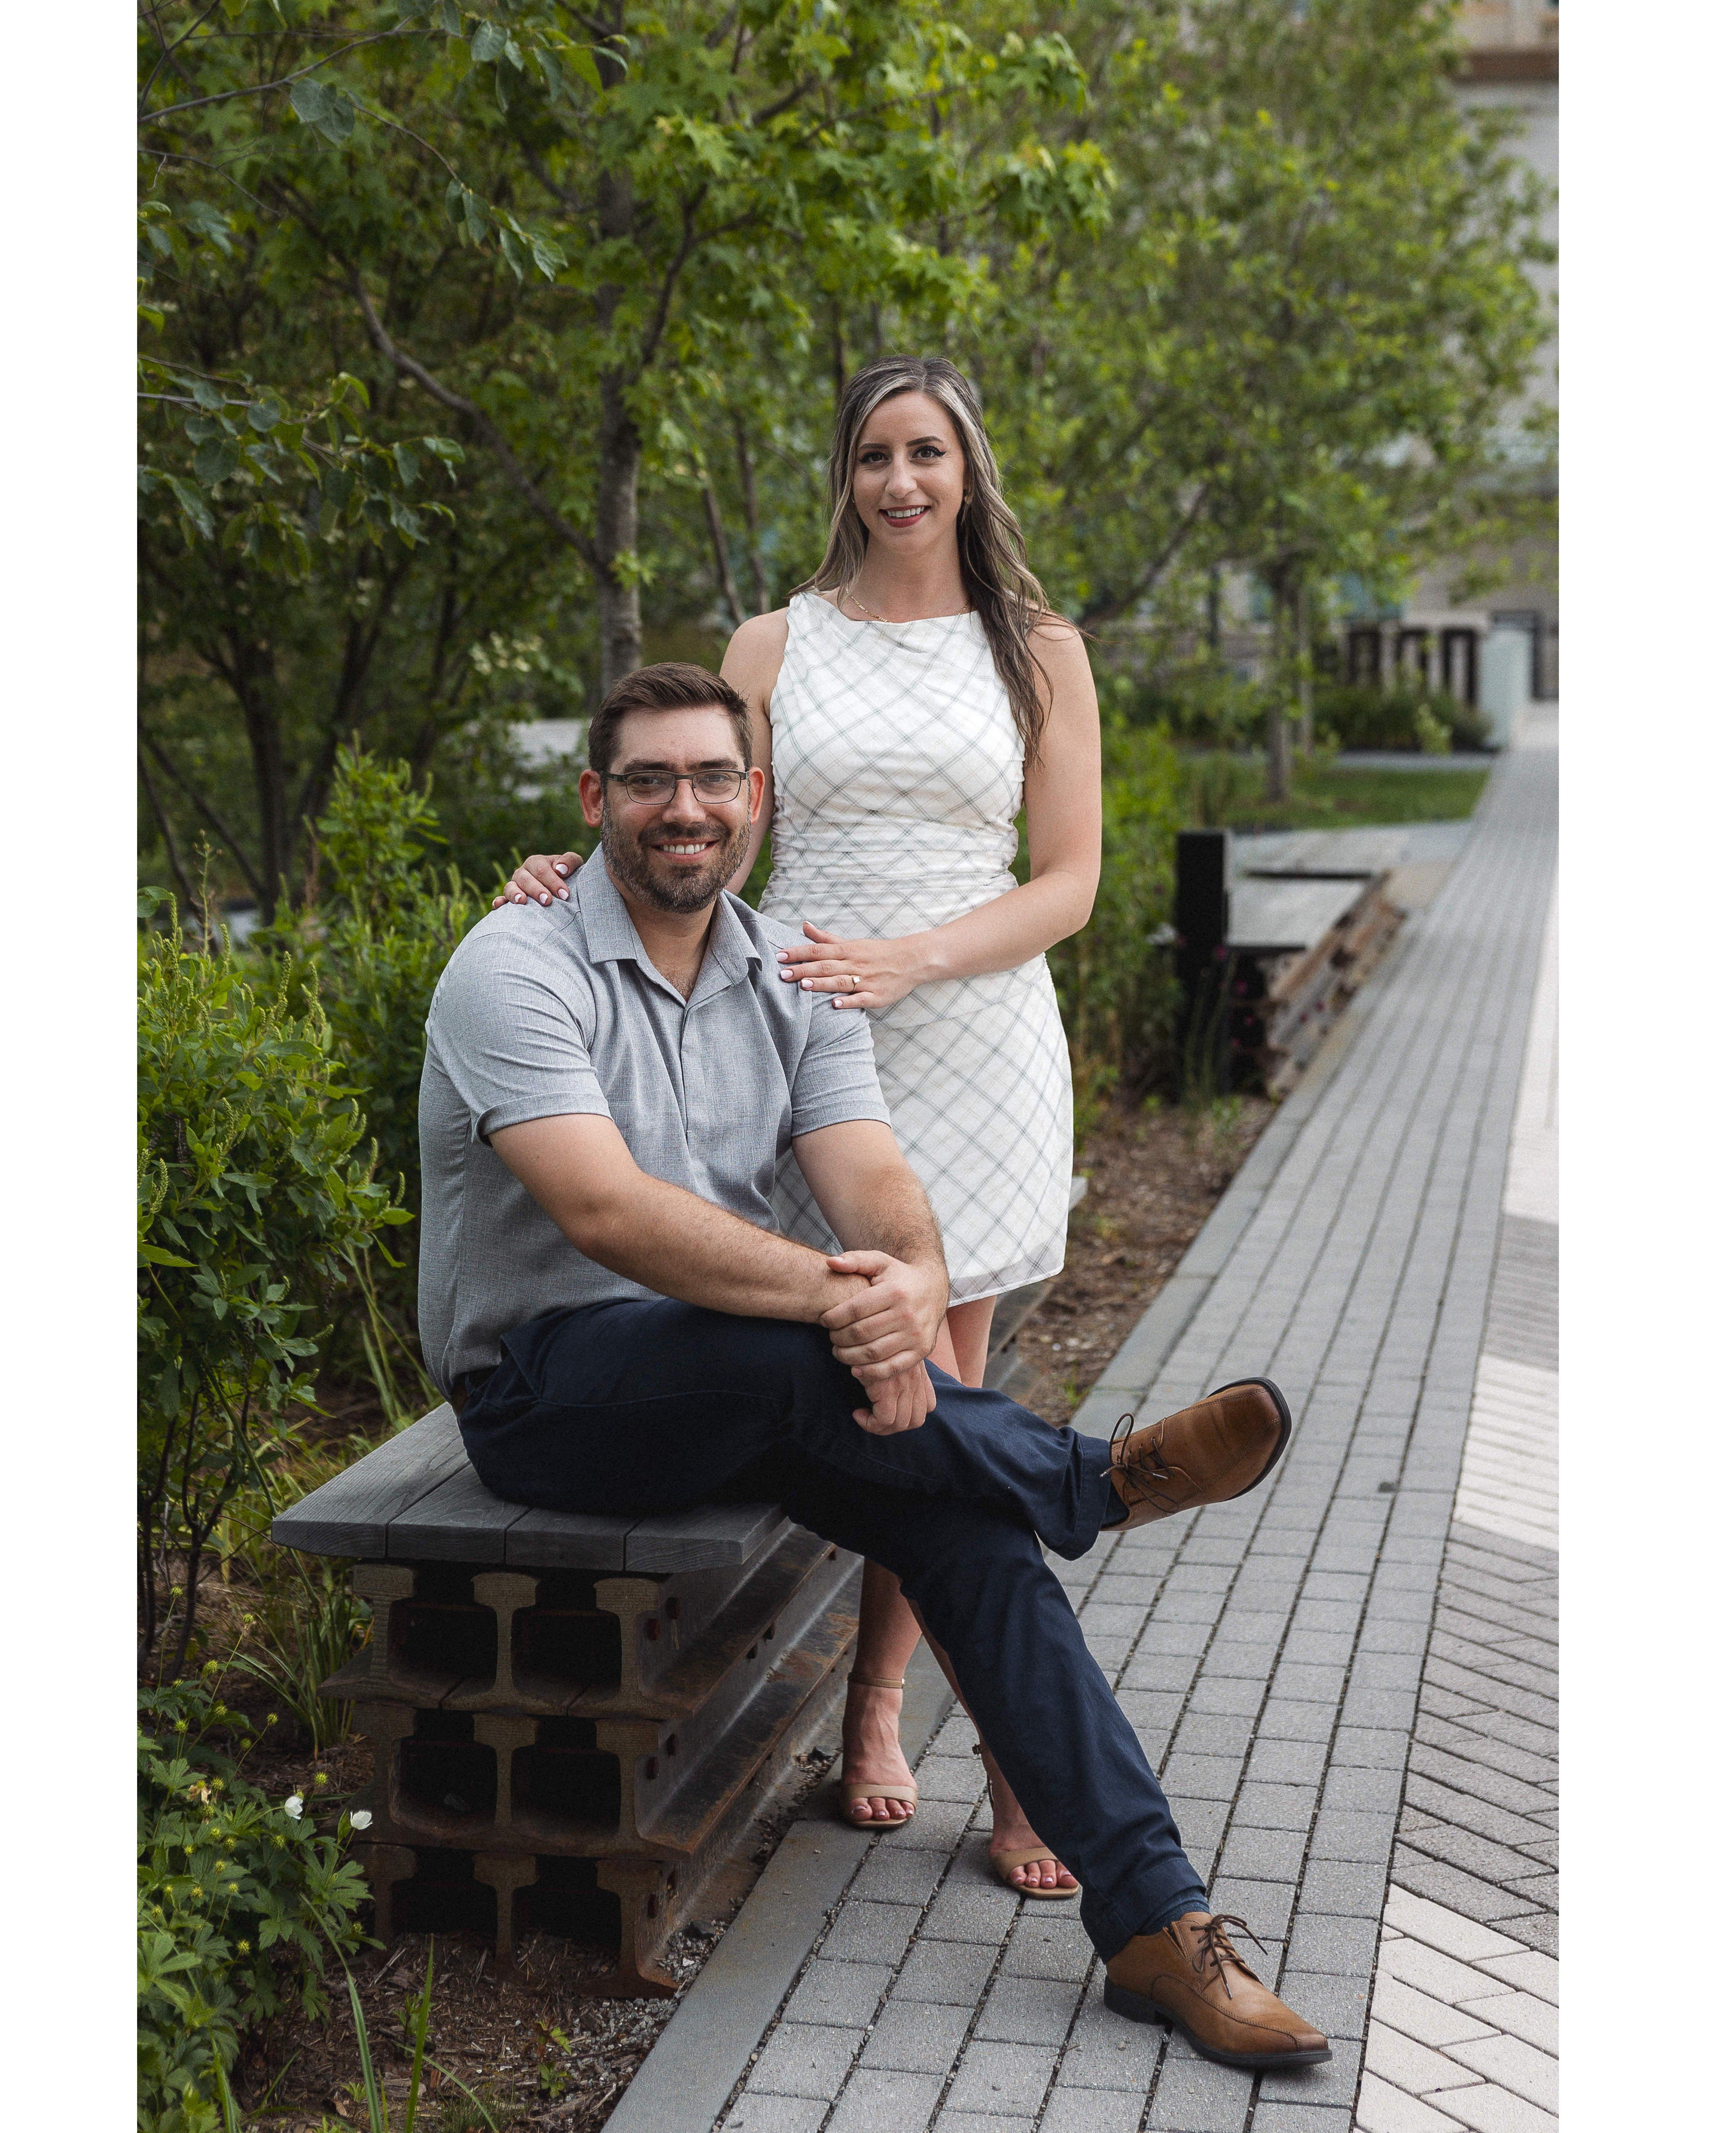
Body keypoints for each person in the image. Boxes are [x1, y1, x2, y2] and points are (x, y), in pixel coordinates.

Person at [418, 662, 1331, 2071]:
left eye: (711, 777)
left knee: (971, 1530)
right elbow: (605, 1214)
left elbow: (881, 1186)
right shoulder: (513, 965)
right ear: (597, 799)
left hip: (755, 1383)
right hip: (549, 1396)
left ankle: (1161, 1925)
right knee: (794, 1347)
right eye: (649, 779)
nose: (682, 806)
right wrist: (844, 1313)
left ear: (755, 799)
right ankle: (1083, 1477)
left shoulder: (794, 976)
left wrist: (901, 1294)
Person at [495, 355, 1098, 1896]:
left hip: (968, 1031)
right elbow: (694, 806)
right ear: (846, 475)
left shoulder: (1037, 649)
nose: (900, 481)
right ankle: (935, 1710)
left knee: (940, 1371)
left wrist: (913, 959)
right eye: (873, 455)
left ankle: (929, 1721)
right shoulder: (778, 640)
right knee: (883, 1373)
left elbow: (1068, 881)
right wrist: (564, 877)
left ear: (967, 468)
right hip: (801, 1028)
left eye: (926, 453)